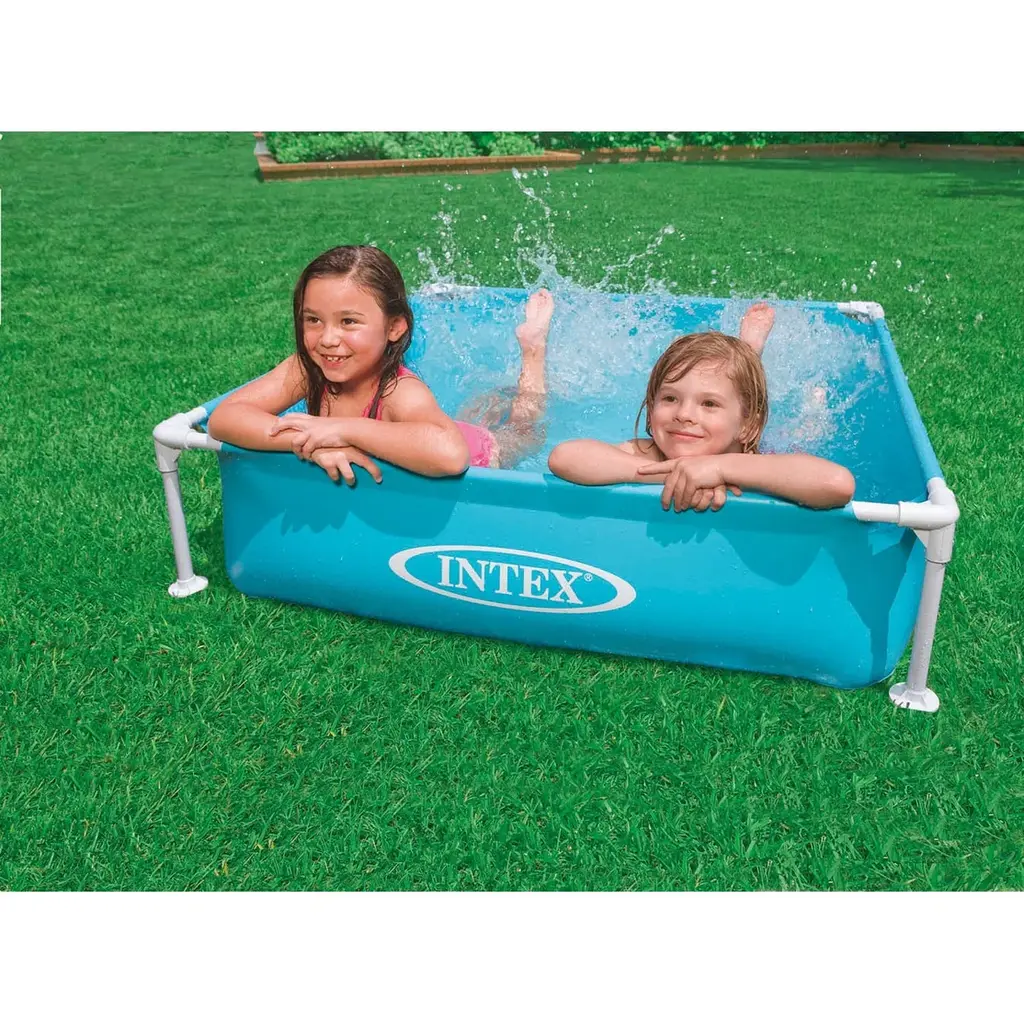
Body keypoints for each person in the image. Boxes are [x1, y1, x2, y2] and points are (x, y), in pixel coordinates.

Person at [207, 246, 552, 482]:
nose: (327, 339)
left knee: (524, 430)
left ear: (394, 327)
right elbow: (225, 417)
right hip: (418, 436)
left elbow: (451, 455)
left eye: (348, 322)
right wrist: (310, 443)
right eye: (313, 320)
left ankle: (533, 351)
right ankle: (489, 402)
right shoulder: (308, 369)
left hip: (477, 451)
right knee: (472, 414)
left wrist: (342, 430)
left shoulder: (400, 391)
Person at [547, 302, 856, 511]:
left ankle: (751, 356)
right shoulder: (651, 453)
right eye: (669, 398)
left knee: (800, 434)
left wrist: (719, 468)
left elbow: (837, 484)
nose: (683, 414)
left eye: (708, 403)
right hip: (733, 426)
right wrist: (678, 474)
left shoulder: (752, 460)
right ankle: (742, 362)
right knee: (731, 389)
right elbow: (565, 457)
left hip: (745, 444)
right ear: (650, 406)